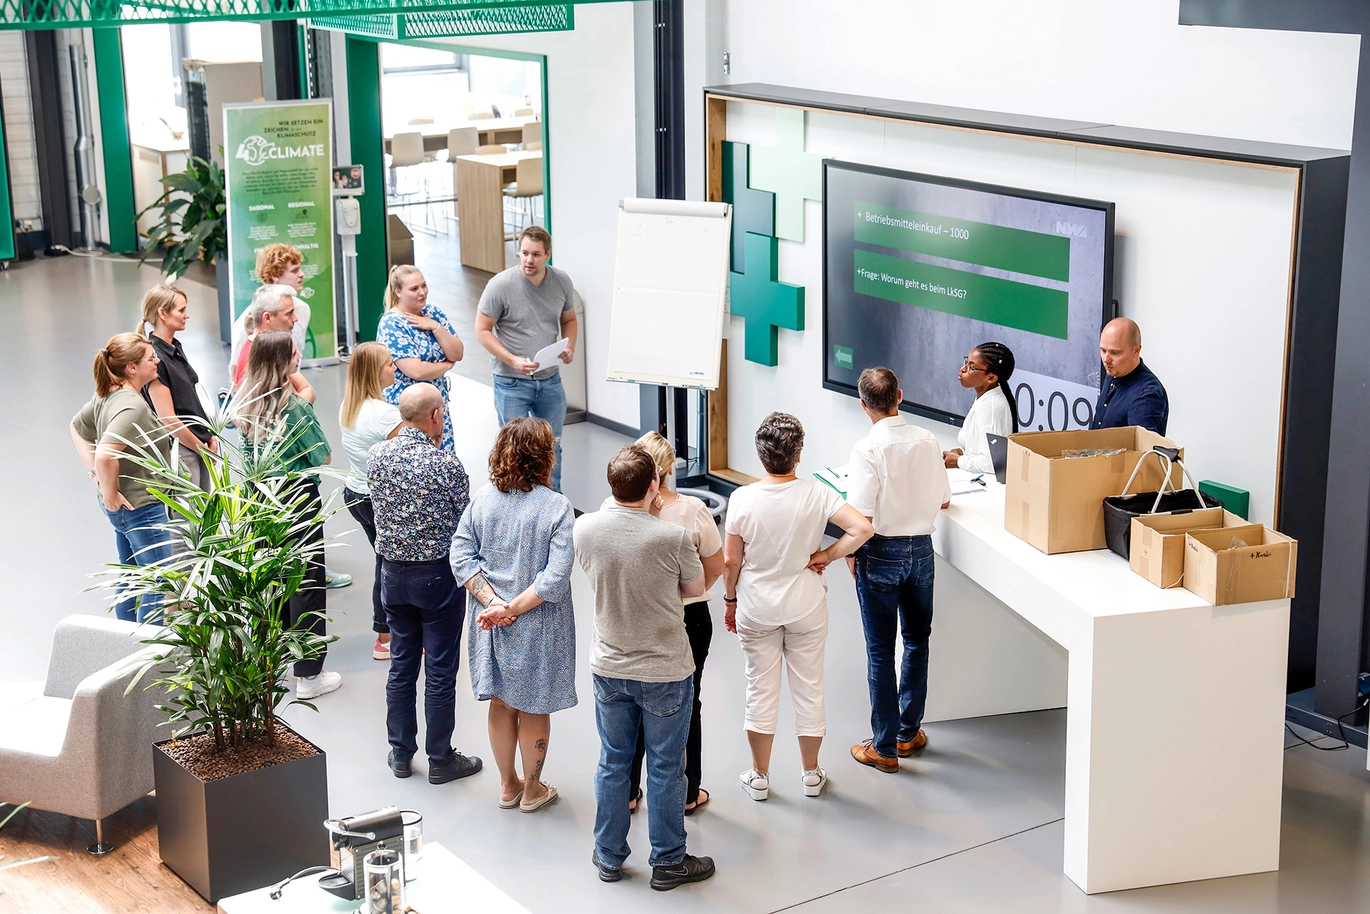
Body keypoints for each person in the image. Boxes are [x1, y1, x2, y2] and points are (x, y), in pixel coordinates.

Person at [574, 445, 714, 891]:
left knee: (614, 761)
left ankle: (610, 855)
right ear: (654, 485)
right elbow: (694, 587)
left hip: (609, 666)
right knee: (667, 765)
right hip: (665, 670)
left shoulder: (585, 529)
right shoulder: (669, 537)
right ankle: (669, 860)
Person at [722, 412, 873, 801]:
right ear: (798, 455)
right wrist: (827, 553)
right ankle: (810, 774)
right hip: (806, 606)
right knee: (809, 688)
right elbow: (862, 529)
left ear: (760, 455)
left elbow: (730, 562)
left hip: (756, 607)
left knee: (760, 689)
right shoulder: (817, 493)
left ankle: (759, 777)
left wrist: (730, 600)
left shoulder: (742, 499)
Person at [450, 417, 576, 813]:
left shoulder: (483, 499)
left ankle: (508, 785)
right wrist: (513, 608)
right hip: (538, 627)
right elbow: (555, 577)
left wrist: (492, 603)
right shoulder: (556, 508)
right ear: (544, 457)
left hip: (490, 626)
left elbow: (460, 554)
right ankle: (533, 789)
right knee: (534, 706)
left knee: (501, 703)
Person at [368, 383, 482, 786]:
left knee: (401, 665)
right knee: (439, 670)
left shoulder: (377, 455)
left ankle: (400, 753)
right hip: (436, 577)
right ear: (435, 415)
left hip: (392, 576)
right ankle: (440, 758)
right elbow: (462, 524)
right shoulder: (446, 465)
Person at [608, 432, 722, 817]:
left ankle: (626, 792)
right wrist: (685, 594)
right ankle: (688, 793)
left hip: (631, 612)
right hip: (688, 617)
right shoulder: (692, 511)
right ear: (669, 470)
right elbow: (716, 566)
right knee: (688, 700)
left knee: (629, 704)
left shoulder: (612, 507)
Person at [847, 367, 952, 772]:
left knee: (879, 652)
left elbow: (861, 518)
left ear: (863, 406)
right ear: (900, 396)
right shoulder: (927, 440)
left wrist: (848, 555)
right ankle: (909, 734)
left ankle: (884, 747)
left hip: (881, 553)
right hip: (922, 552)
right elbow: (943, 498)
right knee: (916, 641)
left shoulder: (866, 451)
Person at [232, 330, 341, 700]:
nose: (299, 356)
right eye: (294, 351)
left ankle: (271, 663)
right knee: (306, 583)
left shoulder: (245, 400)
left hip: (257, 500)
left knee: (272, 580)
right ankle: (309, 674)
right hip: (295, 499)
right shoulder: (293, 407)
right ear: (283, 361)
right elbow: (322, 456)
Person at [70, 333, 175, 624]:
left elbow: (77, 428)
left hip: (123, 510)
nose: (157, 361)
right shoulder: (132, 406)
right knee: (155, 584)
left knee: (129, 577)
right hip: (141, 507)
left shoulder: (107, 394)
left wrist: (98, 479)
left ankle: (121, 642)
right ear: (131, 367)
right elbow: (105, 454)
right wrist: (109, 490)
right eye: (150, 358)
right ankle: (143, 653)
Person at [476, 226, 578, 492]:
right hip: (511, 381)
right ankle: (512, 501)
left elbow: (569, 319)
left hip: (549, 379)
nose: (529, 260)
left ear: (548, 254)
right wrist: (511, 359)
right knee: (512, 447)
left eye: (535, 254)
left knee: (552, 444)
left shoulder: (561, 281)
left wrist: (569, 346)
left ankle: (552, 500)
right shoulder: (500, 285)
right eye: (524, 253)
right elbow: (482, 329)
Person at [339, 342, 403, 661]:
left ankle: (388, 632)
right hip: (378, 501)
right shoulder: (386, 415)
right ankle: (386, 636)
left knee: (383, 561)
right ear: (375, 373)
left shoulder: (349, 406)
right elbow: (406, 459)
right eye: (390, 364)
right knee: (389, 566)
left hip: (355, 494)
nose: (395, 368)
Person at [137, 285, 217, 491]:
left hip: (198, 445)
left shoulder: (174, 347)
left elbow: (189, 399)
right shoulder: (156, 358)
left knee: (203, 515)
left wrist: (208, 436)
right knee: (185, 519)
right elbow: (169, 421)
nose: (187, 315)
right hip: (183, 450)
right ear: (162, 313)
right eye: (181, 310)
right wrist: (201, 449)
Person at [376, 265, 463, 452]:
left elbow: (457, 352)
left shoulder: (434, 313)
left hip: (436, 408)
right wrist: (446, 365)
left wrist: (435, 327)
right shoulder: (392, 323)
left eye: (424, 286)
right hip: (410, 412)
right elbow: (416, 371)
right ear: (398, 292)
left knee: (442, 461)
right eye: (414, 289)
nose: (422, 292)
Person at [230, 244, 311, 367]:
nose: (301, 274)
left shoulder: (303, 309)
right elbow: (236, 366)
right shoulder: (250, 318)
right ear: (275, 275)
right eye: (294, 271)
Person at [943, 342, 1019, 473]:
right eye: (966, 362)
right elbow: (982, 449)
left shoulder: (990, 406)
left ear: (991, 378)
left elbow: (990, 463)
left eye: (971, 367)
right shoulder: (985, 398)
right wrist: (963, 452)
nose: (963, 369)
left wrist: (958, 461)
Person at [233, 284, 315, 403]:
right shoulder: (263, 357)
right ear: (267, 318)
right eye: (289, 313)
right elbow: (302, 397)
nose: (295, 318)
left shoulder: (266, 349)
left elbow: (307, 390)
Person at [1091, 317, 1169, 434]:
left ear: (1136, 350)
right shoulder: (1115, 371)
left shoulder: (1147, 396)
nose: (1106, 359)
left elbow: (1141, 450)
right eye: (1103, 350)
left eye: (1115, 353)